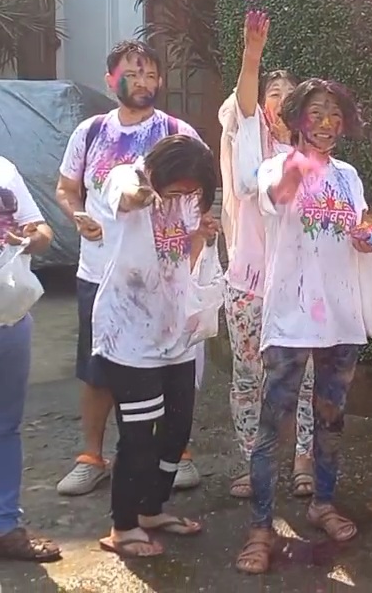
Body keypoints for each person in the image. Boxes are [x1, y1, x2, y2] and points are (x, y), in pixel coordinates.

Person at [236, 78, 372, 575]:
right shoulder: (275, 164)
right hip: (292, 318)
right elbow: (277, 199)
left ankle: (322, 502)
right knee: (271, 427)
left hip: (340, 318)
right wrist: (298, 172)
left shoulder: (349, 175)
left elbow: (361, 229)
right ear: (296, 119)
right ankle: (261, 527)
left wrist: (368, 237)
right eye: (318, 113)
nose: (328, 122)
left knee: (331, 420)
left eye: (335, 114)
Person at [55, 40, 204, 496]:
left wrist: (196, 254)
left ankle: (173, 455)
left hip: (164, 277)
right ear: (111, 79)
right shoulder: (91, 131)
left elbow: (201, 198)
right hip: (100, 273)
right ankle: (92, 457)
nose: (143, 82)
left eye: (151, 74)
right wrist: (77, 215)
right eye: (133, 73)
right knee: (98, 366)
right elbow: (66, 188)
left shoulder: (178, 132)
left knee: (170, 366)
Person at [91, 135, 220, 558]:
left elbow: (181, 256)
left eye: (193, 191)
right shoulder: (126, 177)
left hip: (174, 332)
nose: (185, 197)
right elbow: (125, 198)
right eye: (178, 189)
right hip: (128, 334)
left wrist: (200, 233)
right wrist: (143, 194)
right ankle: (122, 526)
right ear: (159, 173)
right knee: (140, 434)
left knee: (177, 428)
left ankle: (151, 509)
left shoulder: (190, 198)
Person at [218, 9, 316, 500]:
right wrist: (252, 57)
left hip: (298, 283)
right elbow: (245, 104)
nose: (276, 103)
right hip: (248, 279)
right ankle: (254, 462)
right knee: (248, 375)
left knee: (302, 376)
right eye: (270, 94)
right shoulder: (248, 138)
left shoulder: (313, 153)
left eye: (286, 97)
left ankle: (303, 460)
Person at [0, 158, 61, 562]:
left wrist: (30, 237)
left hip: (9, 316)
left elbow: (43, 233)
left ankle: (5, 526)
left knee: (6, 426)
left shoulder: (4, 170)